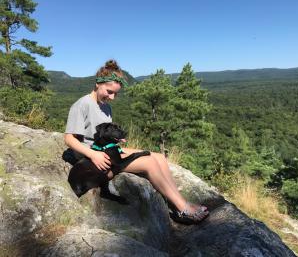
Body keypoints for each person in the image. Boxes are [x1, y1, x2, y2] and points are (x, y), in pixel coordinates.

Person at [64, 59, 209, 223]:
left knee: (159, 158)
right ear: (98, 83)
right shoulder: (82, 104)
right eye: (109, 91)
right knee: (149, 163)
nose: (112, 97)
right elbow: (69, 138)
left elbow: (102, 133)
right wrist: (93, 154)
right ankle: (183, 209)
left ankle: (176, 199)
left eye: (116, 94)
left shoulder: (106, 106)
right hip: (93, 159)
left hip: (105, 150)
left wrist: (115, 139)